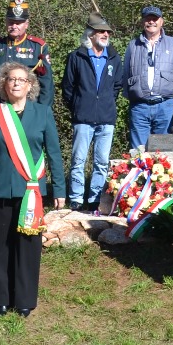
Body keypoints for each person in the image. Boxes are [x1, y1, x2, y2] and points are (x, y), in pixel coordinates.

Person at [0, 62, 64, 317]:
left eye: (21, 79)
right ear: (3, 84)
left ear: (30, 86)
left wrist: (59, 189)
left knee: (28, 245)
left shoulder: (43, 113)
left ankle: (24, 298)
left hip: (31, 191)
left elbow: (54, 154)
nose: (16, 83)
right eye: (11, 79)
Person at [61, 14, 124, 210]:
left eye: (107, 32)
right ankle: (77, 198)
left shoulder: (114, 58)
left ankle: (95, 198)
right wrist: (80, 106)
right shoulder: (76, 57)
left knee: (102, 162)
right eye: (101, 31)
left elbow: (117, 87)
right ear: (90, 34)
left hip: (106, 118)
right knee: (78, 160)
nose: (105, 34)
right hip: (83, 118)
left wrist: (104, 103)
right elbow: (68, 88)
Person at [122, 5, 173, 150]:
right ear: (142, 22)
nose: (151, 22)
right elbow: (126, 73)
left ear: (161, 22)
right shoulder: (132, 45)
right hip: (139, 106)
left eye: (155, 19)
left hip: (165, 105)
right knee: (138, 153)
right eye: (148, 19)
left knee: (163, 153)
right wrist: (130, 97)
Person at [0, 0, 54, 106]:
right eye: (11, 22)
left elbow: (46, 84)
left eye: (18, 23)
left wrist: (43, 111)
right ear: (6, 22)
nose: (14, 26)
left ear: (26, 24)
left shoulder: (38, 47)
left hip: (29, 106)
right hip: (1, 107)